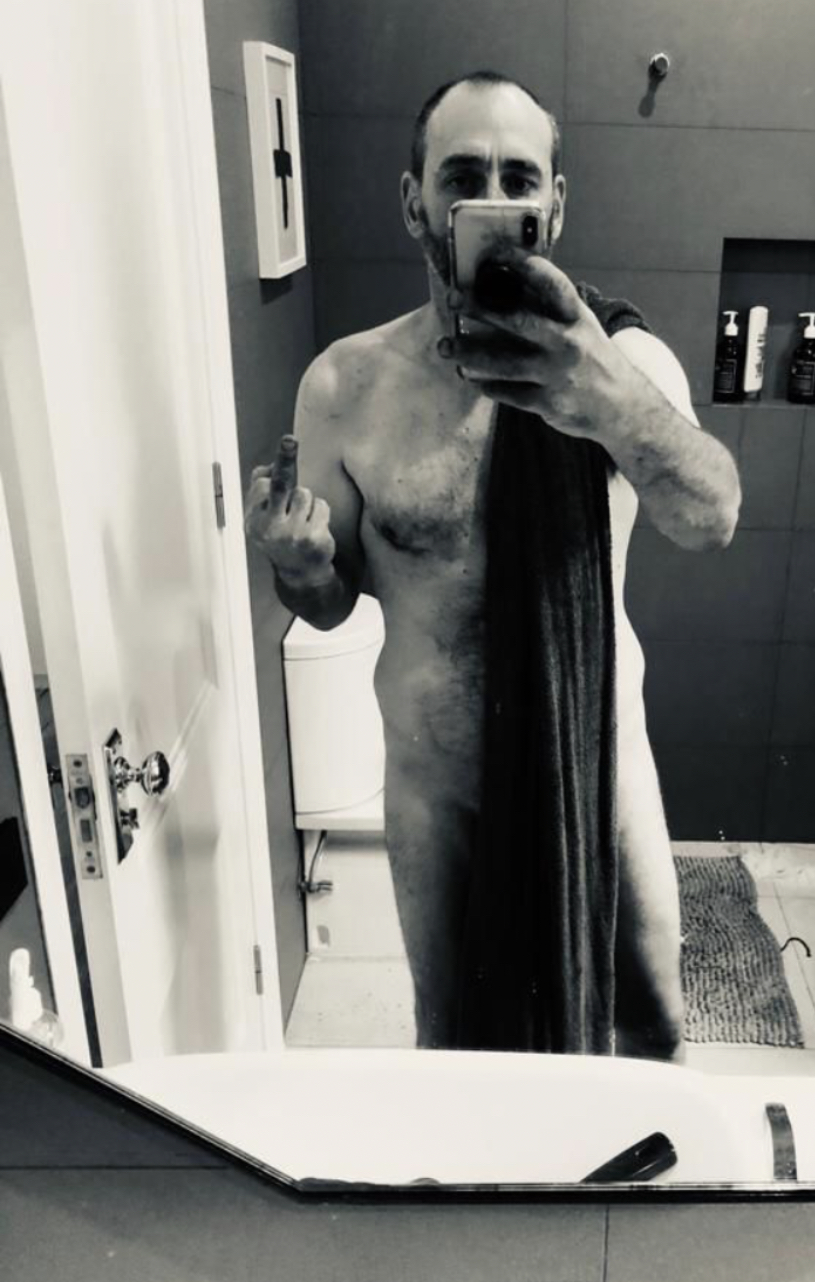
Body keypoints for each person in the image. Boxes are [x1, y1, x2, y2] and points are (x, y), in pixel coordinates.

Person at [245, 70, 741, 1061]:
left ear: (555, 203)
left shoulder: (626, 367)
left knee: (650, 1030)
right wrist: (297, 566)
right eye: (462, 175)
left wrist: (603, 400)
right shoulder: (344, 386)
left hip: (597, 771)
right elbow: (332, 604)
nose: (493, 198)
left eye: (520, 177)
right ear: (414, 202)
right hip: (438, 796)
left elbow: (712, 515)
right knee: (457, 1048)